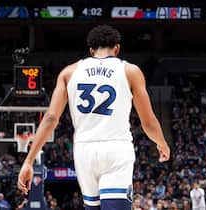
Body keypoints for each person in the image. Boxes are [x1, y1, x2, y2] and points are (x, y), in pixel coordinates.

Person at [17, 25, 170, 210]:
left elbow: (50, 118)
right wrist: (161, 143)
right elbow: (148, 121)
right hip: (116, 148)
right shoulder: (130, 71)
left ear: (91, 50)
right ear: (117, 48)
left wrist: (29, 161)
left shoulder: (68, 72)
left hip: (84, 151)